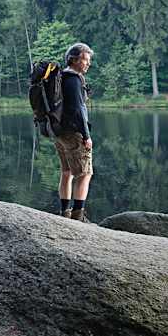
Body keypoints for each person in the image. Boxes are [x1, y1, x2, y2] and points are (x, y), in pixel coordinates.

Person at [55, 42, 94, 222]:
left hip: (59, 132)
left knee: (67, 172)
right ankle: (78, 215)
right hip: (73, 133)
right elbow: (78, 110)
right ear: (73, 60)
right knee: (85, 173)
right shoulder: (74, 80)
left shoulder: (61, 77)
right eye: (85, 60)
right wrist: (86, 136)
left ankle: (64, 212)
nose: (88, 63)